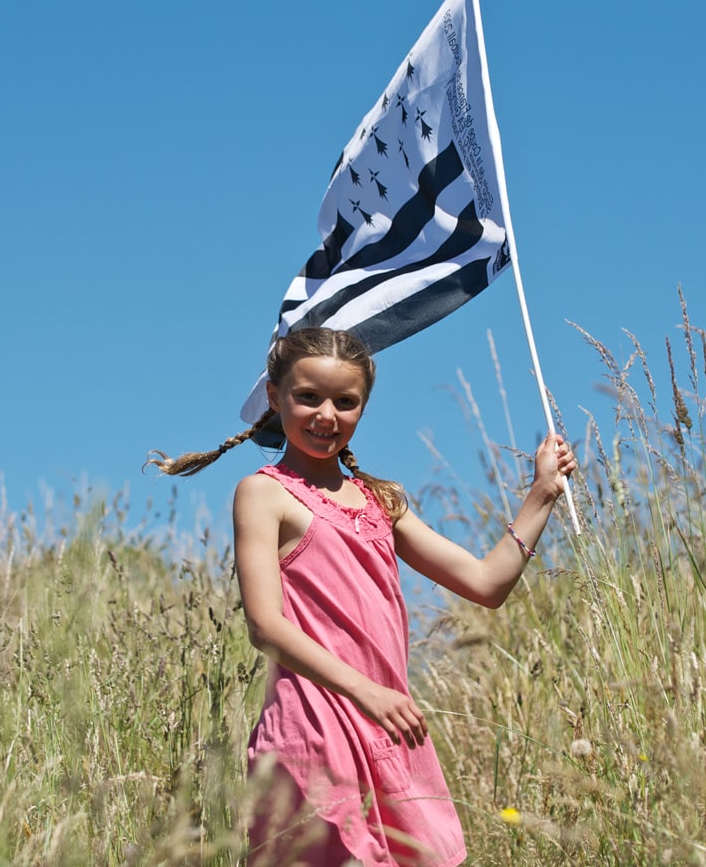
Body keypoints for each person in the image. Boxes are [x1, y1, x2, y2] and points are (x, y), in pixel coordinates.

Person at [148, 327, 575, 866]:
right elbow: (266, 626)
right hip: (315, 728)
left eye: (345, 402)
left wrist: (541, 494)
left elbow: (487, 584)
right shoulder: (264, 492)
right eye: (308, 397)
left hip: (389, 727)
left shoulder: (381, 500)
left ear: (363, 408)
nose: (327, 414)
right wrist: (363, 691)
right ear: (276, 398)